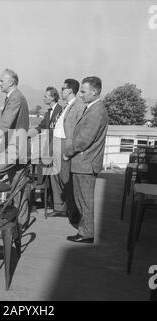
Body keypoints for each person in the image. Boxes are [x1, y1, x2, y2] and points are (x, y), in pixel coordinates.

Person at [64, 76, 108, 243]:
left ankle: (87, 233)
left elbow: (84, 140)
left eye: (83, 91)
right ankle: (84, 230)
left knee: (85, 200)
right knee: (82, 199)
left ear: (95, 91)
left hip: (86, 164)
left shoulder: (97, 111)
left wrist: (68, 152)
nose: (80, 95)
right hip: (84, 163)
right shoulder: (93, 108)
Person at [0, 68, 29, 203]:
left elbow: (5, 123)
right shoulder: (15, 96)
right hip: (18, 147)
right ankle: (21, 221)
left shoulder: (15, 97)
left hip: (14, 148)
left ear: (11, 82)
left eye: (1, 81)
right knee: (18, 185)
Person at [46, 79, 86, 218]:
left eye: (63, 88)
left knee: (65, 179)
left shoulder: (78, 106)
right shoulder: (66, 106)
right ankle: (59, 208)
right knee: (55, 176)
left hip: (65, 145)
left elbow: (79, 129)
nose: (61, 91)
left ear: (70, 90)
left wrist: (70, 149)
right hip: (57, 143)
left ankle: (73, 210)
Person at [27, 86, 63, 211]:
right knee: (39, 165)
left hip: (55, 149)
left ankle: (40, 194)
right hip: (49, 149)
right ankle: (44, 198)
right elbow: (41, 127)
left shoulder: (61, 111)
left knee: (41, 166)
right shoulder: (48, 112)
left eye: (46, 96)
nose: (44, 98)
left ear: (53, 97)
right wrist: (27, 134)